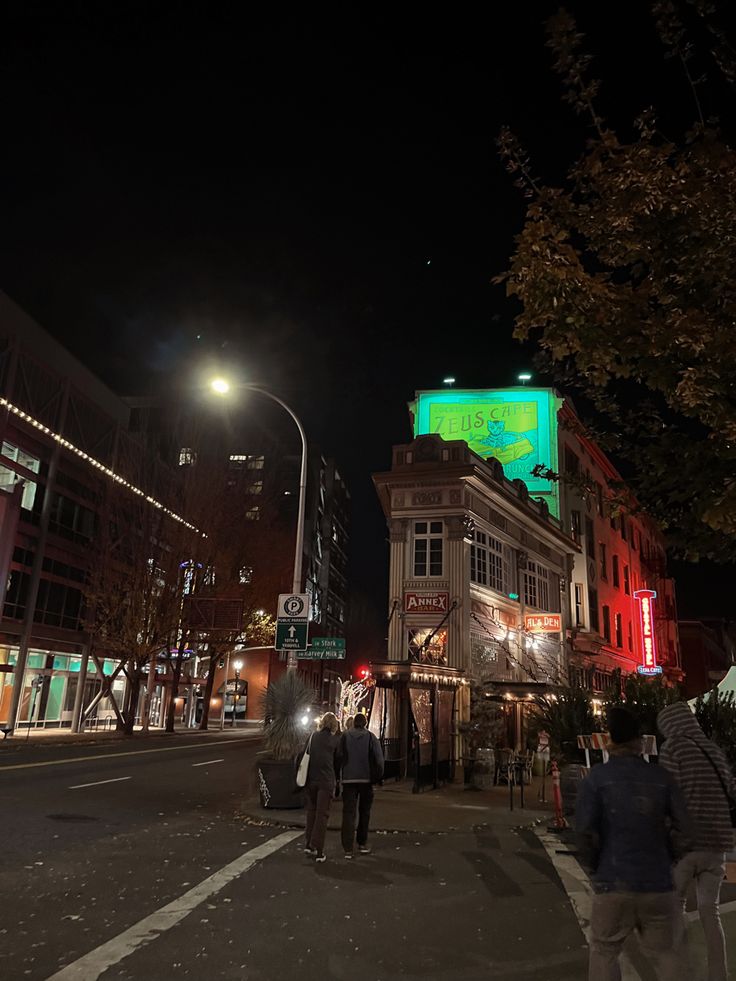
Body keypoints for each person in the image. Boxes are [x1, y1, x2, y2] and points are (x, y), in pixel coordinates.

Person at [576, 705, 692, 981]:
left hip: (613, 879)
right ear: (640, 741)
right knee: (667, 953)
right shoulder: (661, 778)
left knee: (604, 950)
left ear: (610, 740)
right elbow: (686, 829)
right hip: (658, 881)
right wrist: (669, 855)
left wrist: (595, 866)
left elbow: (583, 831)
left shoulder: (597, 779)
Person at [658, 701, 736, 981]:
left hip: (686, 845)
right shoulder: (713, 750)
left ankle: (679, 974)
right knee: (709, 911)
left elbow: (669, 796)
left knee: (675, 909)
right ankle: (719, 974)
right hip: (717, 845)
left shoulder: (672, 749)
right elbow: (731, 789)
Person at [340, 712, 384, 858]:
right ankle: (362, 843)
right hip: (366, 779)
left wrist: (338, 776)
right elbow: (378, 759)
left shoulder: (345, 736)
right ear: (365, 723)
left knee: (348, 813)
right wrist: (377, 777)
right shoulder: (371, 737)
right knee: (364, 812)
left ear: (354, 723)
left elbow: (339, 756)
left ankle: (347, 847)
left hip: (348, 779)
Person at [302, 712, 341, 863]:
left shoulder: (313, 737)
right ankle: (318, 848)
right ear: (334, 725)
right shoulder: (335, 740)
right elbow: (338, 761)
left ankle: (308, 843)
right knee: (322, 815)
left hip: (311, 779)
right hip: (326, 780)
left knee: (311, 812)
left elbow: (304, 754)